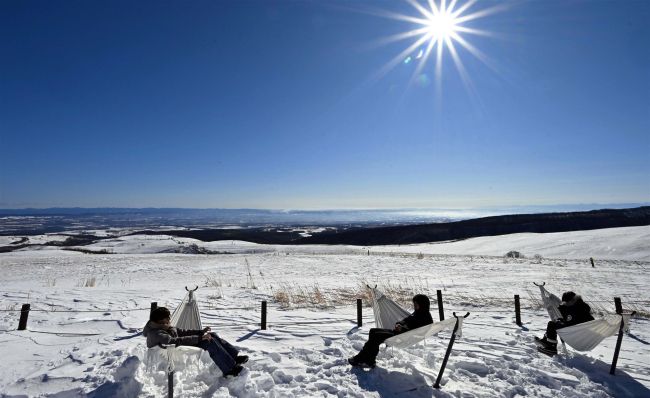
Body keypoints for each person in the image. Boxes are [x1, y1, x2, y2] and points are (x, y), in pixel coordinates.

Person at [143, 307, 248, 377]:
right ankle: (228, 370)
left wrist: (200, 332)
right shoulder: (156, 333)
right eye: (167, 318)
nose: (170, 320)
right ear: (161, 321)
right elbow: (174, 341)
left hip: (181, 343)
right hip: (174, 349)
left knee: (212, 335)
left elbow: (182, 332)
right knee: (209, 342)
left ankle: (234, 358)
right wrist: (199, 338)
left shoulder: (164, 326)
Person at [348, 294, 433, 368]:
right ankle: (369, 360)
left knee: (376, 336)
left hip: (402, 337)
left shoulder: (425, 318)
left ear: (422, 304)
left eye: (416, 304)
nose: (415, 306)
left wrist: (402, 329)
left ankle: (361, 359)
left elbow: (416, 332)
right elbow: (405, 320)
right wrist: (399, 324)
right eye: (414, 304)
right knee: (373, 331)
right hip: (400, 333)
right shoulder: (418, 313)